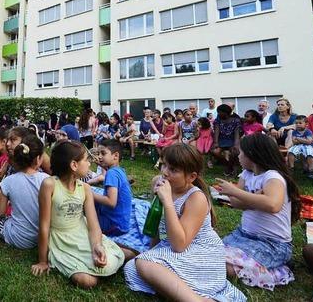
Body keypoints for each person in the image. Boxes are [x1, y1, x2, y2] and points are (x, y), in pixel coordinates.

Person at [124, 144, 246, 301]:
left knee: (144, 264)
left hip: (199, 254)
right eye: (164, 165)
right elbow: (157, 225)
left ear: (191, 177)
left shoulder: (196, 198)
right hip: (174, 249)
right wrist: (151, 252)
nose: (165, 172)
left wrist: (167, 202)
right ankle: (186, 292)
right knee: (133, 268)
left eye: (173, 169)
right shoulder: (159, 183)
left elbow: (180, 245)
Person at [31, 140, 125, 289]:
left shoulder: (86, 188)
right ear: (74, 165)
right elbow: (44, 225)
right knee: (88, 282)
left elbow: (93, 224)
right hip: (61, 239)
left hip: (82, 232)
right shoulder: (49, 185)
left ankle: (112, 253)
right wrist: (42, 260)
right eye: (86, 160)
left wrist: (97, 246)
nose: (90, 164)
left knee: (107, 257)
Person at [217, 133, 301, 290]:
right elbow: (236, 204)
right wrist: (250, 197)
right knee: (211, 255)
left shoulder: (272, 176)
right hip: (243, 236)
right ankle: (262, 264)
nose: (239, 156)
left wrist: (235, 192)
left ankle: (278, 270)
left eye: (241, 152)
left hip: (272, 244)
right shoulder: (246, 174)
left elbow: (272, 205)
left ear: (253, 155)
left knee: (225, 267)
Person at [90, 139, 136, 260]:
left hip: (115, 224)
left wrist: (88, 193)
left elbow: (111, 202)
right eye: (98, 153)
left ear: (115, 156)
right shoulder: (118, 170)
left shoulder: (111, 174)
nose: (99, 157)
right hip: (122, 222)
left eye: (103, 154)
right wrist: (101, 164)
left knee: (87, 215)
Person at [211, 104, 241, 176]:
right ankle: (227, 165)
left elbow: (237, 133)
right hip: (222, 140)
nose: (218, 114)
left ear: (226, 112)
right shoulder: (218, 121)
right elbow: (216, 132)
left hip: (232, 140)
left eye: (219, 112)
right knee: (215, 152)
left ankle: (233, 168)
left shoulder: (236, 121)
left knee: (235, 152)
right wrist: (215, 143)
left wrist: (236, 144)